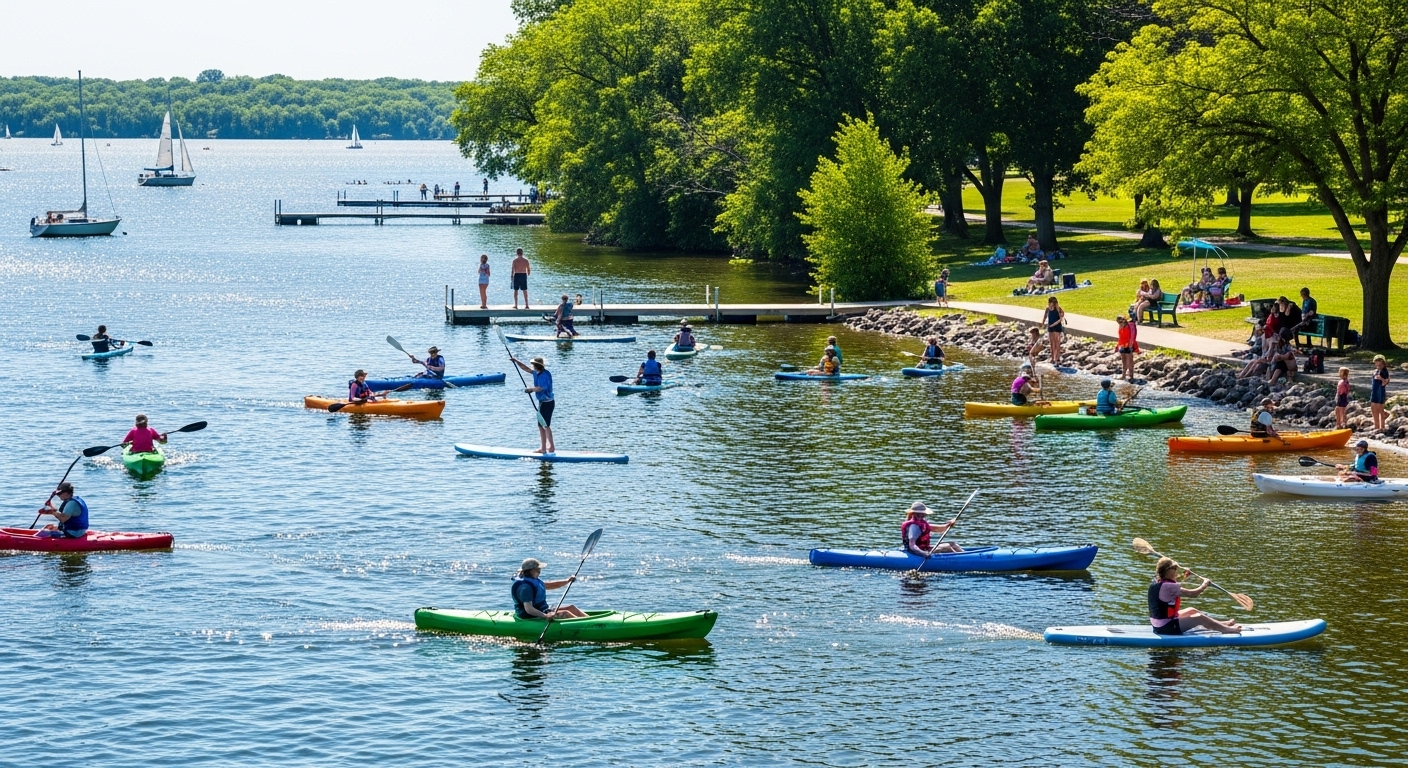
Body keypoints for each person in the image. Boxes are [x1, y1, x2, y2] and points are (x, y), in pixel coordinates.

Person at [1149, 557, 1242, 636]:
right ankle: (1226, 630)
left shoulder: (1156, 581)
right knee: (1198, 618)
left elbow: (1173, 583)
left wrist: (1186, 575)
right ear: (1167, 571)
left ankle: (1221, 624)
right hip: (1166, 628)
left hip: (1158, 624)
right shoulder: (1169, 586)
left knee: (1192, 610)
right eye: (1174, 569)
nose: (1176, 572)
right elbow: (1193, 594)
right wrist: (1205, 584)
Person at [512, 558, 588, 621]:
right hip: (530, 617)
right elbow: (529, 609)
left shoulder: (532, 580)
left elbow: (547, 585)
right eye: (538, 569)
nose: (539, 571)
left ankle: (591, 621)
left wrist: (567, 581)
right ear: (531, 570)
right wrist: (545, 616)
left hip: (542, 611)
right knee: (565, 613)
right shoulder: (525, 588)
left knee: (571, 607)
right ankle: (587, 627)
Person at [511, 355, 555, 454]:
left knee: (546, 425)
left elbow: (541, 388)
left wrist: (531, 389)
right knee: (540, 426)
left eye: (533, 364)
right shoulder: (536, 372)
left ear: (536, 365)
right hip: (542, 403)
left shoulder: (545, 374)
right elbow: (525, 368)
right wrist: (516, 361)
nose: (532, 366)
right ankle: (543, 448)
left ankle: (551, 447)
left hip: (547, 403)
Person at [1044, 297, 1067, 367]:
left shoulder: (1058, 309)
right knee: (1052, 343)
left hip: (1056, 327)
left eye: (1050, 302)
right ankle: (1053, 358)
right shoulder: (1048, 309)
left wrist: (1053, 324)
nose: (1049, 304)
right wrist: (1042, 323)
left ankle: (1057, 359)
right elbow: (1045, 316)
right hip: (1050, 327)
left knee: (1057, 343)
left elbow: (1061, 318)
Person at [1371, 354, 1391, 433]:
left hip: (1380, 392)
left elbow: (1386, 381)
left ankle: (1382, 426)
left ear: (1383, 363)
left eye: (1380, 364)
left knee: (1379, 408)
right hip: (1374, 391)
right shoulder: (1376, 370)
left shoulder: (1384, 371)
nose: (1378, 365)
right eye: (1377, 363)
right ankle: (1376, 426)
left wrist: (1382, 379)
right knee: (1373, 407)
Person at [1116, 315, 1139, 380]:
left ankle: (1131, 376)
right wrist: (1118, 345)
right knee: (1123, 361)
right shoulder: (1121, 327)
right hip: (1122, 345)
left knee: (1129, 361)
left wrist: (1131, 345)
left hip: (1129, 345)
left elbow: (1132, 336)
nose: (1120, 325)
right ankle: (1123, 375)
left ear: (1124, 321)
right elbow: (1120, 336)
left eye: (1120, 323)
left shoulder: (1130, 326)